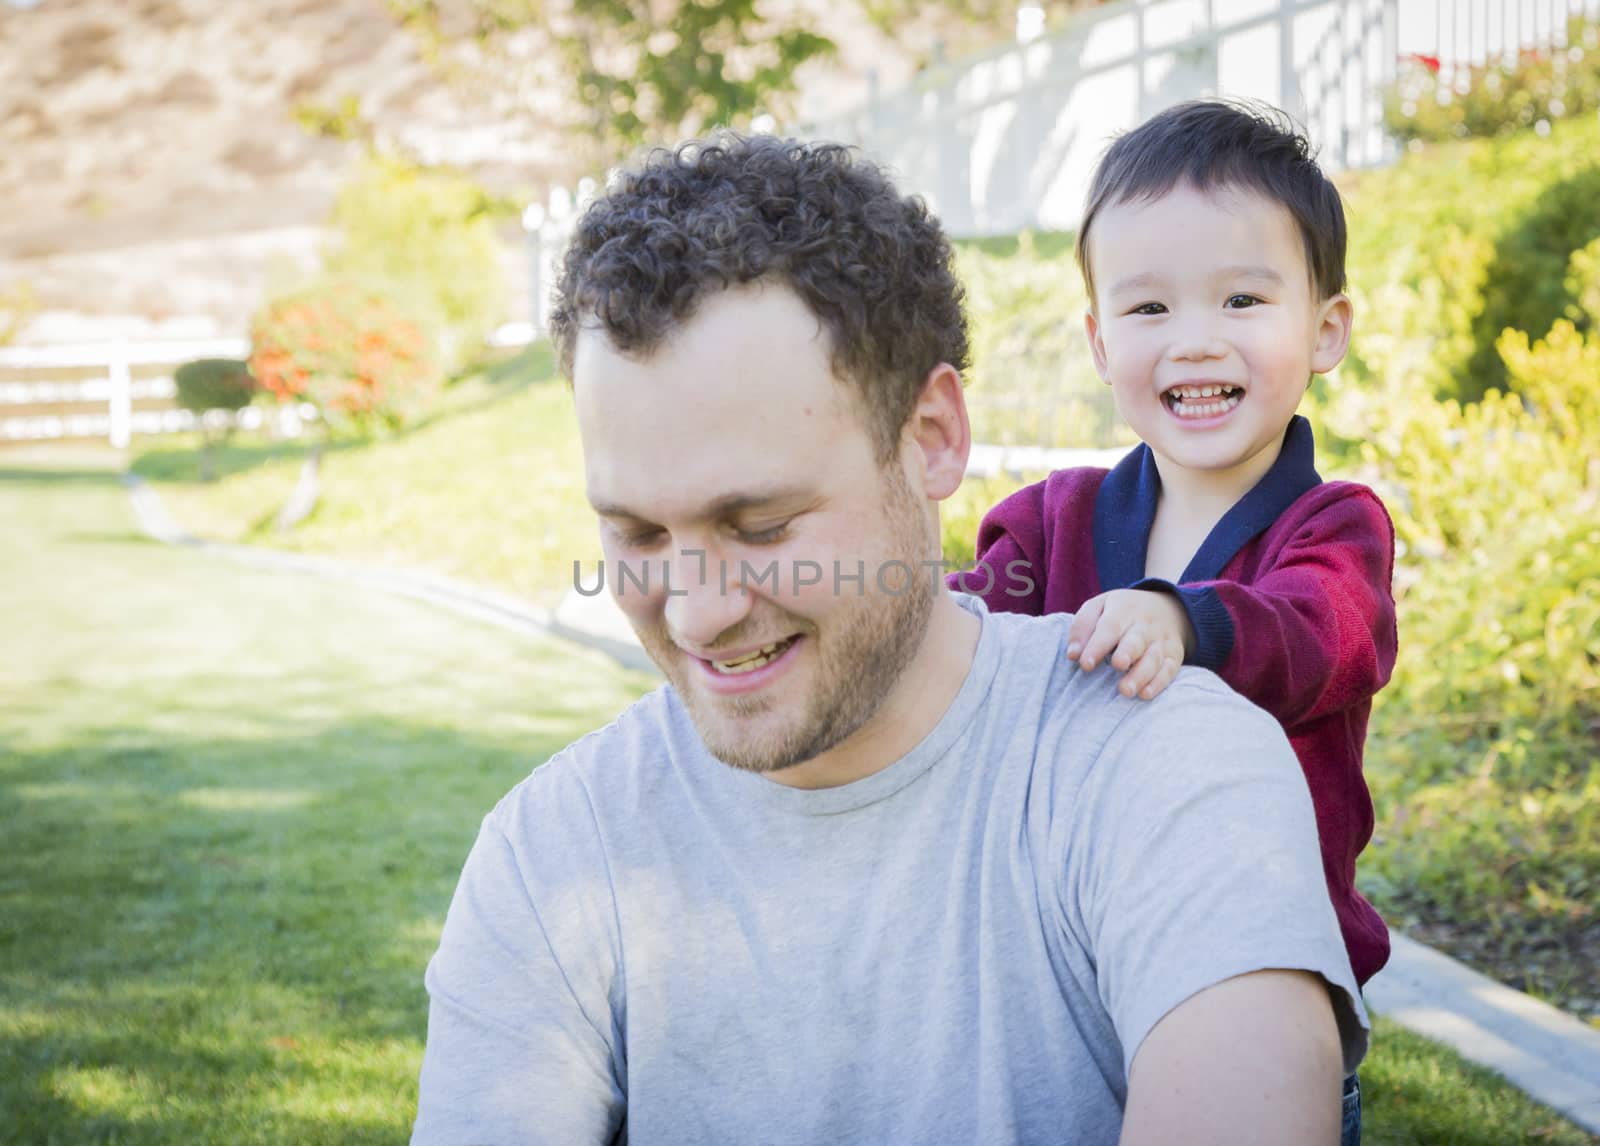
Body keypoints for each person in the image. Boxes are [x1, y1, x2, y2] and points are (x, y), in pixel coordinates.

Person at [411, 131, 1368, 1146]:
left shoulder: (1172, 769)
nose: (695, 613)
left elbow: (1323, 624)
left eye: (763, 525)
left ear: (932, 440)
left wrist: (1189, 618)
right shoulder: (553, 853)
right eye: (638, 533)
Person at [951, 99, 1398, 1144]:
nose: (1194, 342)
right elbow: (965, 640)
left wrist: (1185, 620)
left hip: (1252, 976)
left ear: (1323, 329)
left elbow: (1323, 630)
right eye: (1149, 312)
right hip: (1066, 974)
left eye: (1241, 298)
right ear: (1101, 342)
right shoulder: (1048, 521)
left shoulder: (1331, 529)